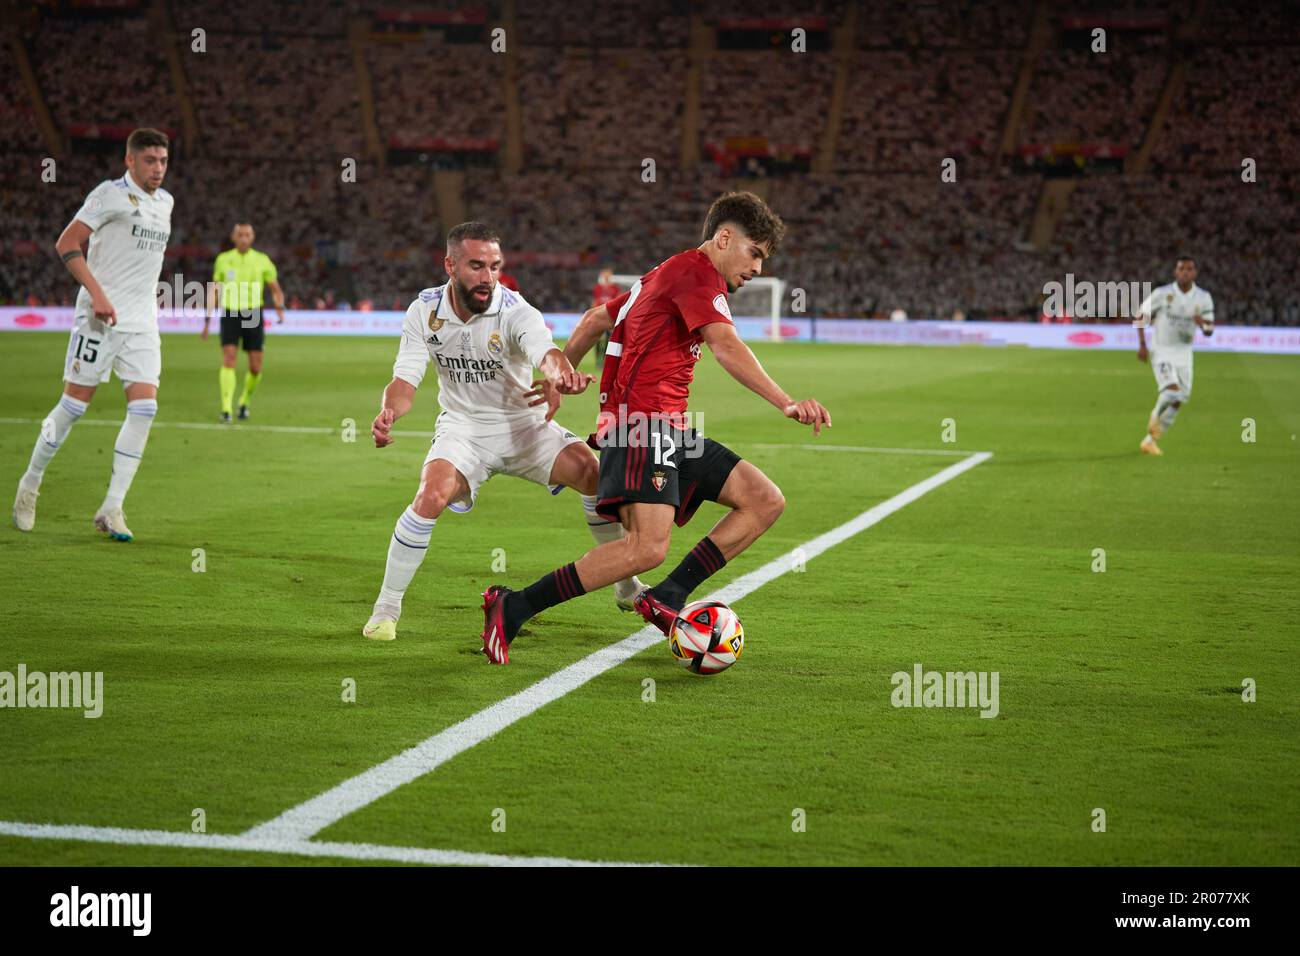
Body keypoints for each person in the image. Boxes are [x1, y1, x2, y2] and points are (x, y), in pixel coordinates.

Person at [478, 192, 831, 664]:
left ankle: (667, 596)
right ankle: (514, 605)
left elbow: (596, 318)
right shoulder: (695, 275)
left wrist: (561, 374)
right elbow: (725, 345)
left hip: (670, 427)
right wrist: (786, 402)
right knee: (646, 547)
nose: (757, 269)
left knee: (764, 500)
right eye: (755, 253)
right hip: (640, 425)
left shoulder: (669, 273)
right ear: (725, 238)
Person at [363, 222, 642, 642]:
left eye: (494, 266)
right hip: (463, 430)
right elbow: (405, 379)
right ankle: (385, 609)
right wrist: (389, 413)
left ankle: (625, 587)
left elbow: (544, 352)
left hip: (524, 426)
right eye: (476, 266)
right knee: (430, 494)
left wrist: (561, 375)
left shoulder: (514, 310)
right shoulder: (424, 311)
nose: (487, 277)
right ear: (450, 265)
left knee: (594, 474)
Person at [13, 128, 174, 541]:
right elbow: (67, 242)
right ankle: (30, 483)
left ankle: (112, 506)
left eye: (163, 160)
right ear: (130, 161)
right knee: (73, 406)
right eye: (150, 161)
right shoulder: (108, 194)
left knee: (145, 409)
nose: (158, 168)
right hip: (98, 318)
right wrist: (97, 293)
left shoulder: (166, 203)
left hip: (141, 321)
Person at [203, 222, 285, 422]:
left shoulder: (262, 260)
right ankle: (226, 409)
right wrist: (207, 319)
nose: (243, 238)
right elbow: (215, 288)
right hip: (230, 313)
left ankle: (244, 402)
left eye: (247, 234)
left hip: (253, 314)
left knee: (255, 367)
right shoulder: (223, 260)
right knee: (229, 358)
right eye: (240, 234)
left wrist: (279, 309)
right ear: (234, 237)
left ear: (252, 237)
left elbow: (275, 288)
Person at [1135, 256, 1215, 456]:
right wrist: (1143, 345)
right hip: (1162, 350)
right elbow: (1140, 315)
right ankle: (1154, 417)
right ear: (1175, 272)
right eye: (1181, 269)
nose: (1185, 273)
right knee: (1171, 390)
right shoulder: (1162, 294)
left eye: (1189, 269)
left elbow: (1209, 329)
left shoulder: (1203, 297)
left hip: (1184, 353)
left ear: (1194, 273)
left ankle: (1150, 441)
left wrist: (1201, 323)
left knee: (1181, 397)